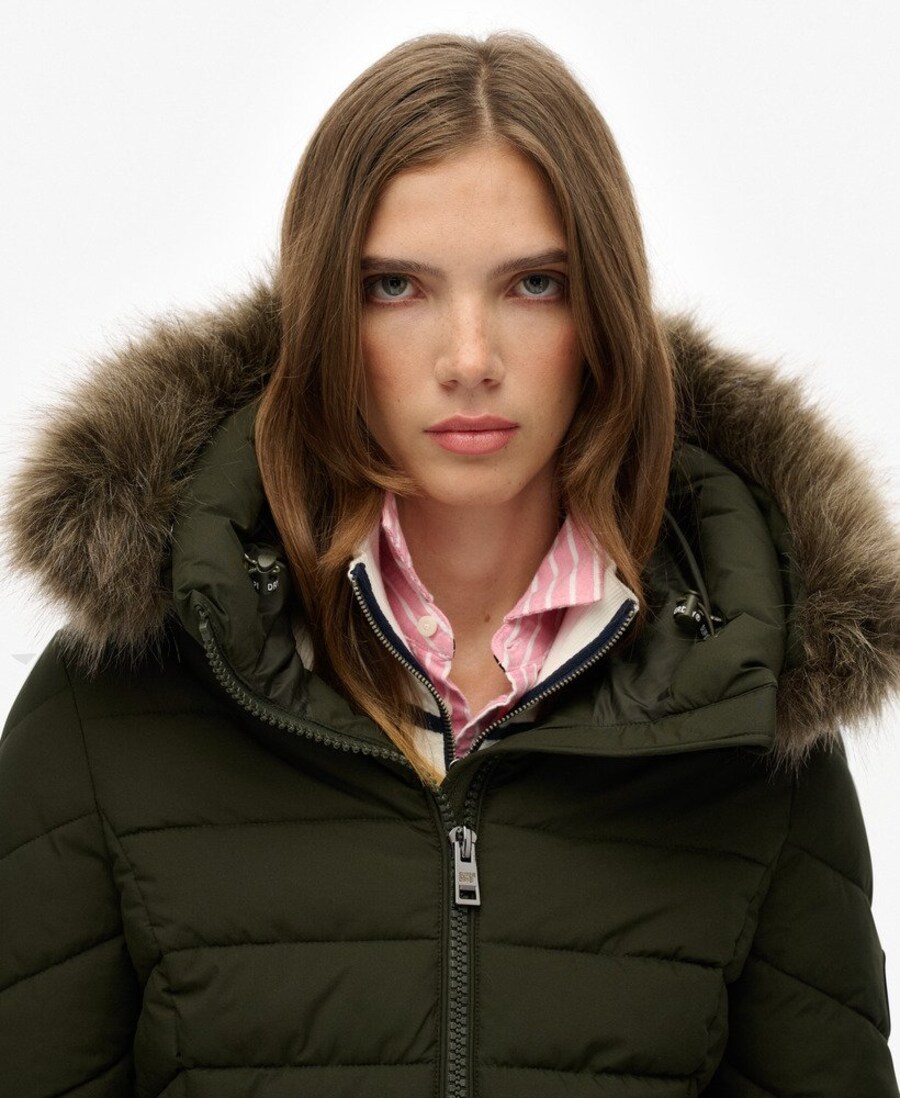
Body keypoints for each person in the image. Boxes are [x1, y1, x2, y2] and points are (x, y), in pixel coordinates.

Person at [0, 30, 897, 1097]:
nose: (470, 359)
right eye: (396, 285)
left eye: (534, 284)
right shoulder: (114, 698)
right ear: (321, 315)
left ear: (604, 314)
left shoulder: (748, 704)